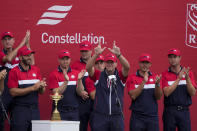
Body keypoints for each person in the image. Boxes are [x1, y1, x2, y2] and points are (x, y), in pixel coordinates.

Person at [86, 41, 130, 131]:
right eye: (107, 62)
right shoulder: (99, 75)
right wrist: (96, 54)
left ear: (116, 64)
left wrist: (119, 55)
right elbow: (88, 68)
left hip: (116, 116)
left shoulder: (120, 76)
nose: (109, 64)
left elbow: (127, 67)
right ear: (105, 64)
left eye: (112, 62)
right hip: (100, 116)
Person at [8, 46, 46, 131]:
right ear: (20, 58)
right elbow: (12, 92)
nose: (30, 57)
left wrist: (42, 86)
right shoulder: (14, 71)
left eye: (30, 55)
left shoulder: (36, 70)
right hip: (20, 111)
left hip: (34, 110)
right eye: (27, 55)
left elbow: (41, 92)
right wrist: (32, 88)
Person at [0, 30, 33, 131]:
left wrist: (27, 43)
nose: (7, 42)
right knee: (1, 121)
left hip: (16, 93)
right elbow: (9, 58)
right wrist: (22, 43)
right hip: (4, 93)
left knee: (17, 123)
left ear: (13, 41)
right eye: (5, 40)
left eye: (9, 39)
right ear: (2, 42)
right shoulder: (1, 53)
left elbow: (31, 62)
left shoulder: (20, 54)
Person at [162, 48, 196, 131]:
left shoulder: (189, 73)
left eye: (175, 57)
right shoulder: (164, 74)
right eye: (170, 57)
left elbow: (193, 93)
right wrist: (178, 79)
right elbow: (166, 93)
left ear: (180, 58)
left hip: (184, 111)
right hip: (170, 111)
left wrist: (187, 79)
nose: (172, 59)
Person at [126, 53, 162, 131]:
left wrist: (157, 84)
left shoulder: (155, 77)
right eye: (142, 62)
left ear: (150, 64)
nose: (144, 65)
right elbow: (133, 96)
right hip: (137, 117)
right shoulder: (132, 77)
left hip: (152, 117)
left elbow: (158, 97)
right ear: (139, 63)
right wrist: (144, 82)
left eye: (147, 63)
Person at [49, 49, 86, 121]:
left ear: (70, 59)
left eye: (67, 59)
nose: (65, 61)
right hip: (60, 111)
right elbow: (56, 93)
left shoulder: (76, 73)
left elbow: (80, 92)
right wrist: (66, 81)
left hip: (74, 111)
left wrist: (79, 80)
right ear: (58, 60)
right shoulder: (53, 74)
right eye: (63, 59)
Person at [71, 41, 93, 131]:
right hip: (81, 103)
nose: (84, 53)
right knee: (81, 128)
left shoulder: (98, 63)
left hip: (96, 103)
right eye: (82, 51)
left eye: (86, 51)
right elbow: (73, 83)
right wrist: (80, 92)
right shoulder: (75, 65)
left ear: (91, 51)